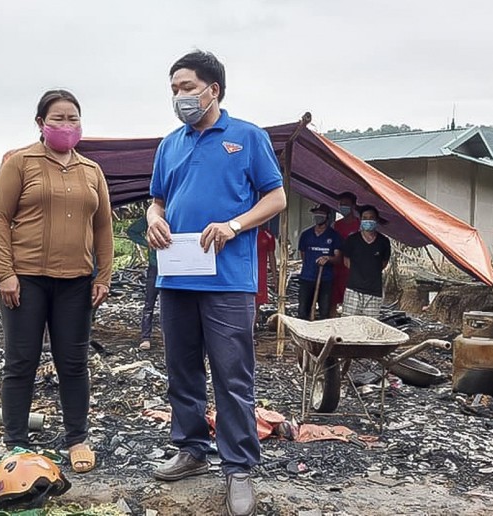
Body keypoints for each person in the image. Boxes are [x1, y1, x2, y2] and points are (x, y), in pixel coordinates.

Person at [146, 50, 286, 516]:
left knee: (232, 373)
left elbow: (277, 196)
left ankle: (239, 468)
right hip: (177, 274)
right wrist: (153, 220)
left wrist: (235, 225)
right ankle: (190, 449)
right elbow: (158, 200)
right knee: (181, 368)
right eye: (173, 90)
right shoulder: (170, 144)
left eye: (187, 87)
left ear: (214, 90)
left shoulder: (247, 137)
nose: (180, 97)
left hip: (228, 279)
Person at [0, 89, 114, 474]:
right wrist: (5, 274)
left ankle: (76, 438)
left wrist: (103, 275)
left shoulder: (91, 171)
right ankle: (16, 444)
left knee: (73, 363)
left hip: (76, 282)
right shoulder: (20, 163)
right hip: (26, 281)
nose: (66, 125)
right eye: (57, 118)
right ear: (41, 123)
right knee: (21, 361)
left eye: (73, 118)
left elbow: (104, 226)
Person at [341, 205, 391, 317]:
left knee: (369, 328)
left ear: (376, 220)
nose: (368, 221)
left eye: (371, 218)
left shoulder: (383, 242)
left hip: (374, 292)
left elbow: (383, 263)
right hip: (353, 290)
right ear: (361, 220)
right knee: (349, 325)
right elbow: (346, 261)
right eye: (365, 218)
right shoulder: (352, 240)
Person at [297, 203, 342, 321]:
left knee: (324, 312)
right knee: (302, 311)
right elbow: (303, 255)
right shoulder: (306, 235)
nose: (318, 216)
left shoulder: (334, 236)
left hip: (325, 279)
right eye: (316, 214)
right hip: (307, 277)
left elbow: (338, 258)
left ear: (327, 216)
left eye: (321, 214)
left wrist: (328, 259)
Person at [126, 215, 159, 350]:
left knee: (173, 304)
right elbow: (132, 231)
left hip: (175, 267)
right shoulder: (153, 217)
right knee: (149, 303)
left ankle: (172, 337)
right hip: (155, 265)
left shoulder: (180, 214)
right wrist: (147, 242)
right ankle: (146, 338)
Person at [330, 192, 361, 316]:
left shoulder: (359, 226)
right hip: (336, 269)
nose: (343, 207)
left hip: (352, 270)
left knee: (351, 302)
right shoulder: (335, 225)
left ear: (353, 206)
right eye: (341, 204)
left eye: (346, 205)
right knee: (333, 300)